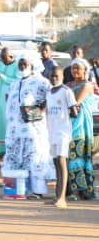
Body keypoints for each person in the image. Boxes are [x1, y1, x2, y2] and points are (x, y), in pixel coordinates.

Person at [2, 55, 53, 198]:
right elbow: (8, 98)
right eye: (20, 63)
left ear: (33, 65)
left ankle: (38, 191)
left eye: (25, 63)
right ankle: (16, 190)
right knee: (14, 157)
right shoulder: (13, 83)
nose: (22, 66)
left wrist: (39, 111)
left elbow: (51, 96)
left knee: (34, 158)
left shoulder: (41, 81)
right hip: (14, 130)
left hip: (33, 129)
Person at [46, 66, 77, 208]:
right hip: (51, 131)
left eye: (56, 76)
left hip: (62, 132)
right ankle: (57, 195)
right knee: (56, 163)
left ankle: (62, 198)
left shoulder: (66, 91)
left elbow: (74, 110)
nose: (54, 79)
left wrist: (68, 114)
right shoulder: (49, 92)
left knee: (61, 161)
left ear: (62, 77)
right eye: (52, 76)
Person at [65, 58, 95, 202]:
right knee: (70, 156)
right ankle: (72, 189)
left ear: (85, 70)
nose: (75, 71)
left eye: (78, 68)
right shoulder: (68, 85)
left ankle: (83, 190)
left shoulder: (87, 85)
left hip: (81, 125)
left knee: (78, 155)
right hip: (68, 124)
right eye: (73, 68)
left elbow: (74, 102)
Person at [0, 48, 18, 153]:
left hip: (8, 100)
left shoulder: (16, 66)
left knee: (7, 125)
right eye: (1, 58)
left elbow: (16, 81)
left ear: (11, 57)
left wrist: (1, 76)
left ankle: (8, 151)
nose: (2, 61)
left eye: (4, 59)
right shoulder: (0, 65)